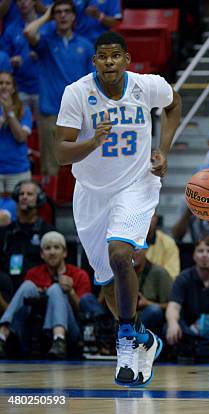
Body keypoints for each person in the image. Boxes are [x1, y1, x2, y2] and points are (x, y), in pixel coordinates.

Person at [54, 32, 181, 387]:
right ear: (93, 62)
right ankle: (143, 337)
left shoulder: (147, 86)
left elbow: (174, 103)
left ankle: (124, 339)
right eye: (102, 57)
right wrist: (92, 140)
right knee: (109, 282)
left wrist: (163, 149)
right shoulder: (77, 93)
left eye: (115, 56)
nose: (108, 62)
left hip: (136, 185)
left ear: (127, 59)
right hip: (91, 194)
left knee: (121, 254)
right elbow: (60, 152)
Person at [23, 0, 95, 178]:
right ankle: (52, 204)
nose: (63, 15)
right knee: (51, 166)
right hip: (50, 112)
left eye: (67, 11)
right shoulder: (46, 43)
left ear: (74, 16)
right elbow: (28, 32)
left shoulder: (85, 45)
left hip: (79, 112)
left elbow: (93, 82)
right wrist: (47, 15)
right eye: (58, 12)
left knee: (83, 164)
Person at [0, 231, 92, 359]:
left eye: (56, 247)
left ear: (64, 252)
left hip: (71, 333)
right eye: (47, 248)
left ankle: (59, 339)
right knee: (27, 285)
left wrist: (70, 292)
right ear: (42, 254)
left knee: (55, 289)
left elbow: (85, 313)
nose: (52, 252)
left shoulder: (79, 275)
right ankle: (2, 336)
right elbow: (22, 308)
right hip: (35, 331)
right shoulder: (33, 274)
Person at [0, 180, 54, 287]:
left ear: (39, 199)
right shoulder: (7, 231)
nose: (24, 197)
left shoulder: (47, 231)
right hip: (7, 285)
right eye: (21, 194)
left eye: (29, 194)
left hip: (36, 286)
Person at [0, 71, 32, 194]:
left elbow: (21, 137)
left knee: (17, 211)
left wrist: (10, 113)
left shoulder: (24, 110)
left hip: (18, 170)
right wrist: (3, 116)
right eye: (1, 83)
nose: (4, 86)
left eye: (8, 83)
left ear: (13, 88)